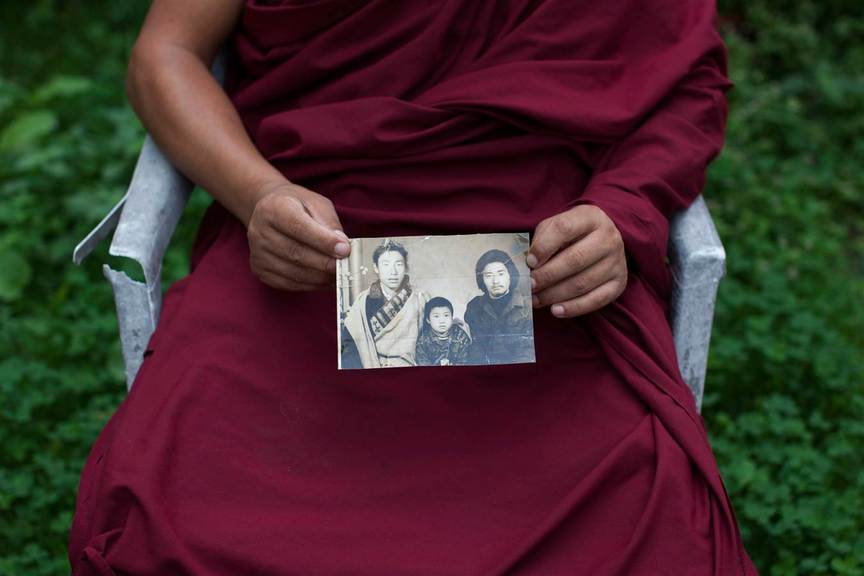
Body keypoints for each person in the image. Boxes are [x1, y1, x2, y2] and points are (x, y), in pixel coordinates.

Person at [68, 1, 758, 574]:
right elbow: (165, 55)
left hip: (538, 263)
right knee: (176, 516)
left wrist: (620, 212)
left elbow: (681, 76)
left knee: (642, 522)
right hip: (312, 244)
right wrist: (259, 195)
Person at [340, 239, 428, 368]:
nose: (393, 271)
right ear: (376, 268)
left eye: (398, 264)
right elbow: (349, 346)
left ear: (405, 267)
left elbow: (428, 343)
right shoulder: (362, 302)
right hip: (370, 366)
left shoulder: (420, 299)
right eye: (386, 264)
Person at [464, 249, 534, 365]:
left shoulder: (527, 306)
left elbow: (527, 352)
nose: (495, 281)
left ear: (510, 275)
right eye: (488, 276)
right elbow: (476, 348)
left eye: (500, 274)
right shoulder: (474, 307)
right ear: (482, 279)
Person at [414, 296, 473, 366]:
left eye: (446, 315)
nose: (442, 321)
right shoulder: (423, 340)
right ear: (428, 320)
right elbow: (423, 363)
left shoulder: (461, 336)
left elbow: (465, 361)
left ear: (452, 318)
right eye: (436, 316)